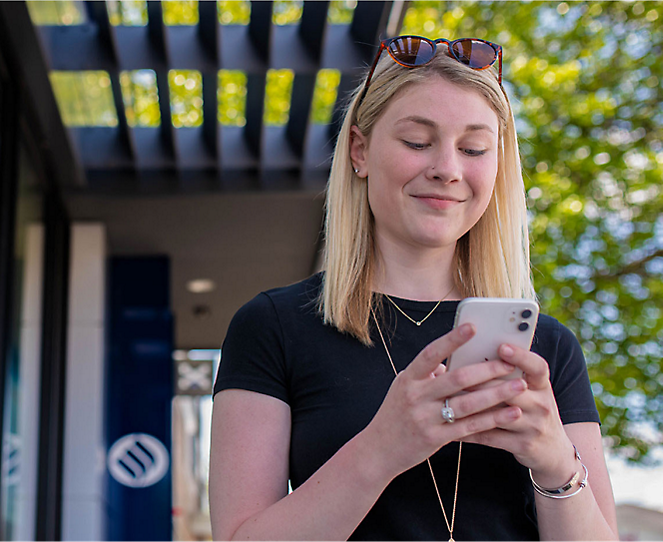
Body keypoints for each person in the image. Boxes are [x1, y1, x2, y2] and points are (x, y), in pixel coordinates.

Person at [209, 35, 619, 541]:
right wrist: (381, 449)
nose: (447, 169)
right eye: (418, 142)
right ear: (359, 150)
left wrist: (557, 465)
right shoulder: (274, 326)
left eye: (473, 148)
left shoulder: (547, 347)